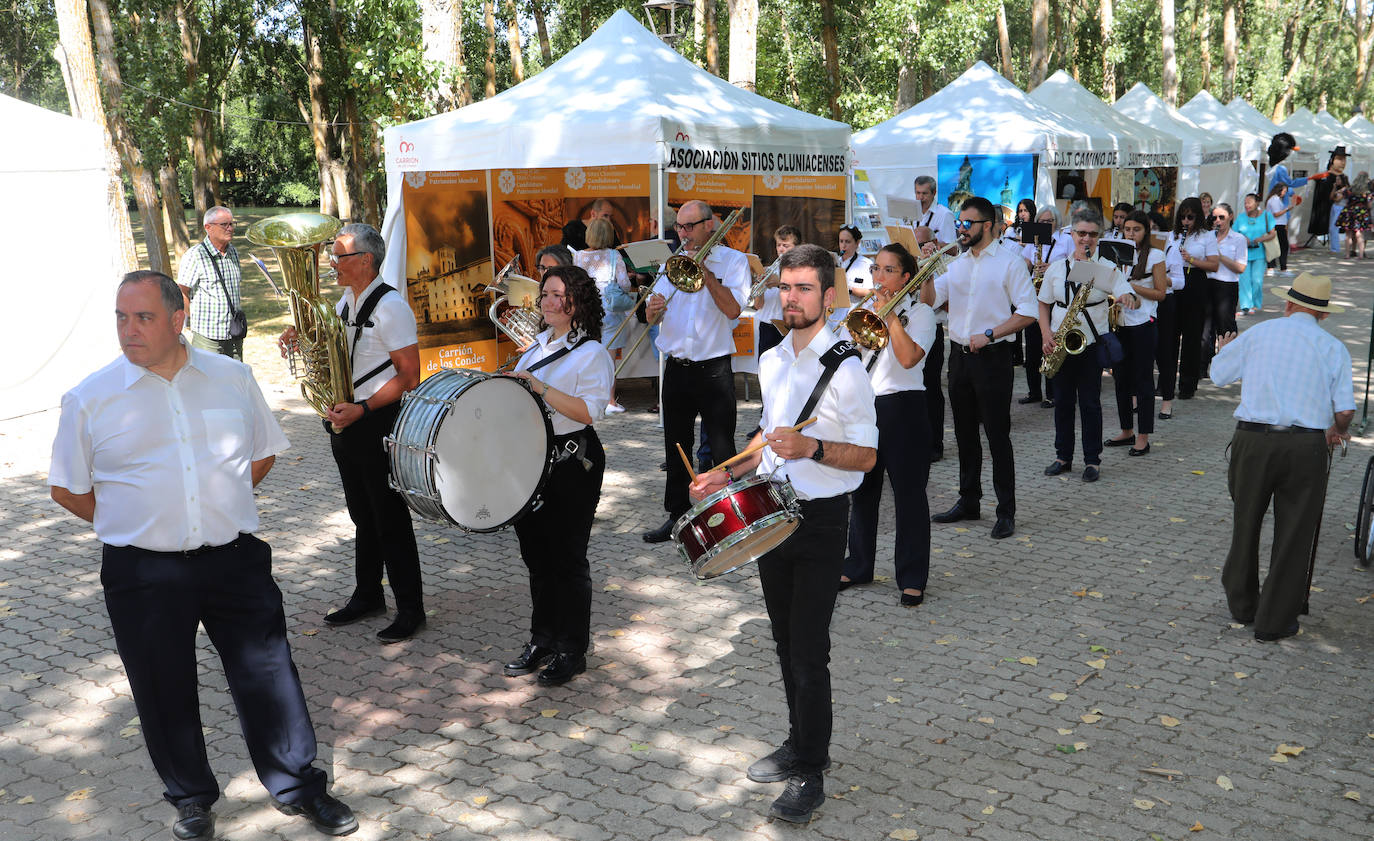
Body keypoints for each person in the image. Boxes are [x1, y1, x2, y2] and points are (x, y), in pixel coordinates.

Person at [49, 271, 357, 841]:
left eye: (142, 317)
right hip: (141, 570)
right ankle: (190, 798)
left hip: (233, 559)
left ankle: (298, 784)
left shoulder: (232, 378)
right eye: (121, 317)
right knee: (161, 685)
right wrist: (136, 524)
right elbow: (67, 489)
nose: (129, 329)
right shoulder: (90, 398)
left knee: (269, 673)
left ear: (177, 317)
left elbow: (262, 453)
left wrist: (215, 504)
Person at [688, 243, 877, 824]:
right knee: (782, 641)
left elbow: (869, 456)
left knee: (808, 649)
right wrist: (724, 472)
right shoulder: (771, 361)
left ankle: (811, 771)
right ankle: (798, 741)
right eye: (785, 287)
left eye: (803, 289)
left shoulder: (846, 367)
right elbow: (767, 443)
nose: (791, 298)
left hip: (822, 519)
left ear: (828, 295)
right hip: (773, 514)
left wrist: (814, 447)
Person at [280, 223, 425, 642]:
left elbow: (409, 375)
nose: (332, 263)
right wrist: (301, 336)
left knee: (390, 519)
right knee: (363, 515)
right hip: (347, 419)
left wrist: (362, 409)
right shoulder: (347, 300)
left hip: (376, 420)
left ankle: (410, 608)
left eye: (339, 256)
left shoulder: (391, 307)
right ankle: (368, 596)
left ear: (366, 260)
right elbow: (337, 348)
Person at [1211, 272, 1353, 642]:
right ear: (1323, 314)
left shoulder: (1260, 332)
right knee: (1294, 533)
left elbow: (1219, 375)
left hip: (1253, 441)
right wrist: (1335, 428)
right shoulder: (1333, 347)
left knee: (1246, 523)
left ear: (1288, 303)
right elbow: (1346, 413)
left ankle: (1243, 607)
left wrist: (1223, 349)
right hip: (1305, 447)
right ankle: (1275, 622)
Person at [502, 265, 613, 687]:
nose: (547, 302)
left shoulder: (591, 353)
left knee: (568, 560)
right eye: (544, 294)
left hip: (572, 462)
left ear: (577, 302)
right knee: (536, 557)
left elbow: (589, 412)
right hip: (532, 460)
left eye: (557, 295)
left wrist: (537, 387)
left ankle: (572, 649)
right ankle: (542, 639)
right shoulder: (536, 345)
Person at [924, 196, 1037, 540]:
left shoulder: (1009, 262)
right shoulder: (956, 263)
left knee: (997, 436)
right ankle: (969, 500)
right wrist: (928, 269)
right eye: (959, 222)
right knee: (963, 434)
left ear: (987, 225)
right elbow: (930, 301)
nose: (960, 228)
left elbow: (1028, 310)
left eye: (967, 223)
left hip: (993, 359)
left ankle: (1006, 511)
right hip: (958, 357)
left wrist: (991, 334)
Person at [641, 200, 749, 543]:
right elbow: (650, 319)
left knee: (721, 446)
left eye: (689, 227)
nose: (683, 234)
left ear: (710, 224)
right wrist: (653, 310)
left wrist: (707, 277)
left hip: (713, 368)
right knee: (676, 445)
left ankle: (731, 516)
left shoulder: (733, 261)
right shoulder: (669, 265)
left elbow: (733, 310)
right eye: (679, 228)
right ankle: (676, 514)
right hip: (677, 368)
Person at [838, 243, 935, 606]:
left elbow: (909, 358)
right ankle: (859, 563)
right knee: (862, 491)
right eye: (876, 269)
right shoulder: (862, 310)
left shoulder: (922, 314)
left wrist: (890, 317)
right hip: (867, 404)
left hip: (904, 407)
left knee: (909, 494)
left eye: (889, 270)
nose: (879, 276)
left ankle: (911, 576)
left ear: (906, 277)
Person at [1037, 207, 1135, 482]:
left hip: (1090, 344)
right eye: (1081, 233)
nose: (1086, 239)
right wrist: (1046, 334)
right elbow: (1043, 303)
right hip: (1060, 343)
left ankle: (1092, 461)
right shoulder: (1057, 267)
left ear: (1099, 237)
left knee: (1090, 404)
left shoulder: (1107, 269)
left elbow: (1125, 290)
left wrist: (1129, 298)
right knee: (1063, 403)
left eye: (1092, 235)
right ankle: (1062, 456)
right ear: (1072, 233)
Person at [1104, 211, 1168, 456]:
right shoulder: (1113, 253)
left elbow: (1161, 293)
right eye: (1127, 229)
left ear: (1146, 231)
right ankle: (1126, 430)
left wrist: (1130, 286)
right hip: (1119, 323)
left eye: (1136, 229)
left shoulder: (1155, 255)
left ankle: (1143, 436)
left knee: (1142, 382)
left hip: (1143, 323)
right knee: (1120, 380)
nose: (1130, 234)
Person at [574, 217, 632, 413]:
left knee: (585, 355)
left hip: (586, 310)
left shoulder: (578, 256)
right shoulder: (615, 255)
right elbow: (624, 284)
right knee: (609, 358)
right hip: (610, 310)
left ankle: (586, 399)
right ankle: (610, 402)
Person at [176, 205, 245, 360]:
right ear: (208, 227)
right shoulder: (195, 255)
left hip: (234, 334)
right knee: (208, 381)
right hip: (208, 337)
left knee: (235, 380)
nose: (230, 228)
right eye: (224, 224)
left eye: (232, 224)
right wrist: (187, 323)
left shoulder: (233, 252)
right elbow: (182, 291)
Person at [1173, 197, 1219, 400]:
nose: (1186, 221)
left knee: (1192, 336)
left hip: (1196, 281)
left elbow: (1214, 265)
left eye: (1190, 217)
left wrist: (1191, 259)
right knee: (1170, 335)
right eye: (1182, 217)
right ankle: (1164, 382)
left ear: (1197, 217)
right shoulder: (1172, 235)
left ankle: (1187, 384)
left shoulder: (1207, 236)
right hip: (1174, 281)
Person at [913, 225, 949, 462]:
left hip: (933, 330)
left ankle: (935, 443)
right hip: (909, 329)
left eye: (923, 243)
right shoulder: (909, 264)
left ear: (935, 242)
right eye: (915, 244)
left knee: (931, 388)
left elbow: (935, 303)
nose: (919, 248)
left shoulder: (944, 267)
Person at [1201, 203, 1248, 381]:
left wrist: (1219, 256)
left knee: (1225, 328)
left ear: (1230, 216)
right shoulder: (1206, 236)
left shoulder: (1238, 239)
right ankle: (1202, 367)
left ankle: (1229, 367)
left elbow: (1240, 268)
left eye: (1222, 217)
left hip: (1227, 286)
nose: (1218, 221)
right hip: (1207, 283)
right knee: (1205, 329)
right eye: (1214, 217)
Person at [1152, 208, 1186, 420]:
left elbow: (1181, 282)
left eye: (1155, 229)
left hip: (1165, 302)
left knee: (1164, 354)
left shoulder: (1171, 247)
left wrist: (1162, 278)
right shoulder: (1137, 248)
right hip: (1143, 301)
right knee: (1140, 354)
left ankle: (1166, 402)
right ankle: (1137, 398)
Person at [752, 225, 800, 358]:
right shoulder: (770, 269)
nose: (781, 249)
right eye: (779, 245)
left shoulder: (801, 269)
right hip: (766, 325)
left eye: (786, 245)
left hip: (787, 326)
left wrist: (780, 282)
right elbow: (758, 305)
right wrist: (759, 288)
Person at [1232, 193, 1278, 316]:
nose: (1246, 205)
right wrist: (1243, 238)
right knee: (1244, 280)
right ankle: (1246, 306)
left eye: (1249, 202)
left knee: (1257, 280)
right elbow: (1233, 234)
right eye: (1245, 202)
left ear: (1257, 203)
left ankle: (1255, 303)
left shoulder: (1267, 216)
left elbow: (1272, 233)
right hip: (1243, 254)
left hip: (1260, 253)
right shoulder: (1241, 218)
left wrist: (1260, 239)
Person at [1335, 171, 1372, 258]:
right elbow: (1369, 205)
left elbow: (1343, 197)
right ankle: (1361, 255)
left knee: (1348, 234)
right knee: (1360, 233)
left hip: (1349, 211)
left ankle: (1347, 254)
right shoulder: (1367, 192)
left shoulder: (1349, 189)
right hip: (1361, 212)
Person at [913, 175, 956, 246]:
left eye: (924, 193)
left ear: (934, 193)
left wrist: (930, 245)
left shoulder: (945, 214)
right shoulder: (911, 211)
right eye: (918, 193)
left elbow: (952, 247)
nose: (920, 197)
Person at [1265, 183, 1292, 272]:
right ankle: (1281, 267)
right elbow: (1276, 214)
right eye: (1284, 191)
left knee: (1276, 246)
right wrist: (1287, 209)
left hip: (1278, 225)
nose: (1284, 193)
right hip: (1277, 225)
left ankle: (1273, 266)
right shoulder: (1275, 200)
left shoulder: (1274, 199)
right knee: (1283, 246)